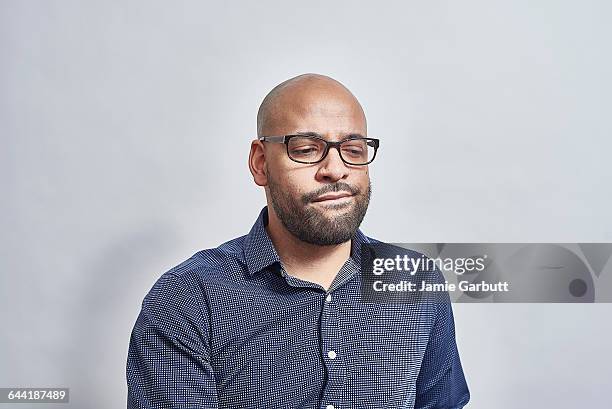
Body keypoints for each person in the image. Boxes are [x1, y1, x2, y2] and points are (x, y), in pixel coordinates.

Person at [126, 73, 470, 408]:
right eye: (306, 149)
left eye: (353, 149)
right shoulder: (185, 300)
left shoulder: (416, 280)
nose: (335, 169)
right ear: (261, 163)